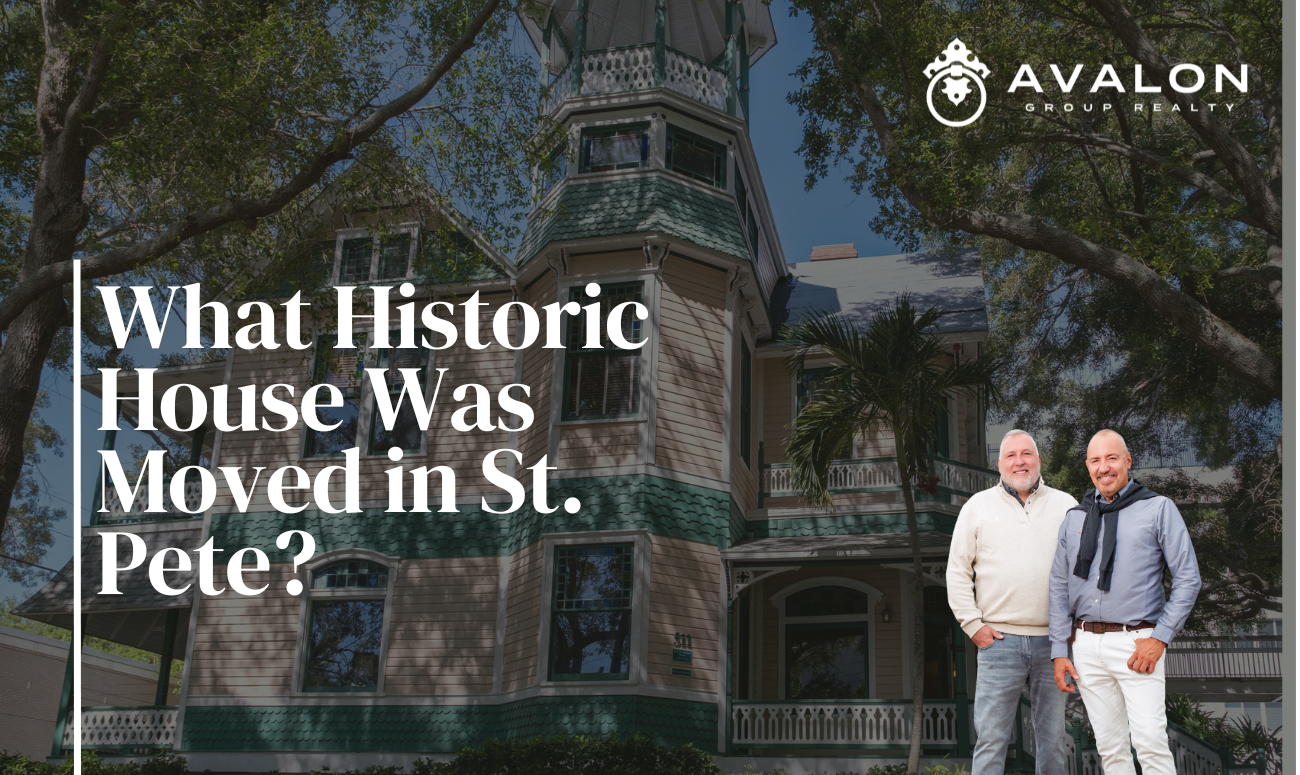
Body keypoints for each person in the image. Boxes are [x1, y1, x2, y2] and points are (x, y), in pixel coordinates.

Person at [1050, 429, 1201, 775]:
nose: (1104, 467)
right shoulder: (1075, 518)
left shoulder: (1158, 508)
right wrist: (1060, 650)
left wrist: (1160, 638)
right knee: (1111, 749)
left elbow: (1189, 579)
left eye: (1112, 458)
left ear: (1128, 461)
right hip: (1086, 646)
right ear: (1088, 466)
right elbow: (1059, 587)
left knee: (1149, 743)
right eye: (1095, 460)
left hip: (1138, 644)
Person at [947, 429, 1078, 775]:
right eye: (1011, 456)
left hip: (1054, 644)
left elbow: (1083, 571)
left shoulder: (1067, 505)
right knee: (992, 740)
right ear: (999, 464)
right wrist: (974, 627)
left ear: (1038, 460)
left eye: (1027, 454)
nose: (1020, 462)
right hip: (998, 643)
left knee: (1052, 741)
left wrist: (1073, 629)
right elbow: (957, 572)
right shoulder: (976, 507)